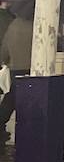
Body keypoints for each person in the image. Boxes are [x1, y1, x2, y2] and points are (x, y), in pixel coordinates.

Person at [0, 8, 34, 144]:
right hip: (32, 69)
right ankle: (28, 129)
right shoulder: (37, 25)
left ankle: (1, 123)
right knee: (30, 101)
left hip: (15, 68)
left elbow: (5, 49)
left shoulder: (13, 25)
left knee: (11, 99)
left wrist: (5, 61)